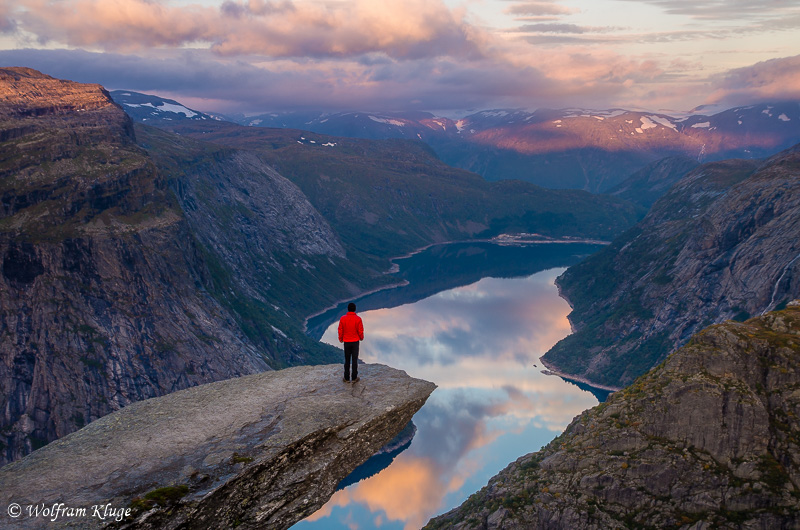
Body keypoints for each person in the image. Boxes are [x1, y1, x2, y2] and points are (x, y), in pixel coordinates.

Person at [338, 302, 364, 383]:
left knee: (347, 360)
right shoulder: (358, 319)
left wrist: (341, 338)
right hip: (355, 342)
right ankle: (354, 377)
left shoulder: (343, 318)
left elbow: (340, 330)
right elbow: (360, 330)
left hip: (346, 342)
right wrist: (361, 337)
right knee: (354, 360)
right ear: (355, 309)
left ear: (348, 309)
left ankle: (346, 378)